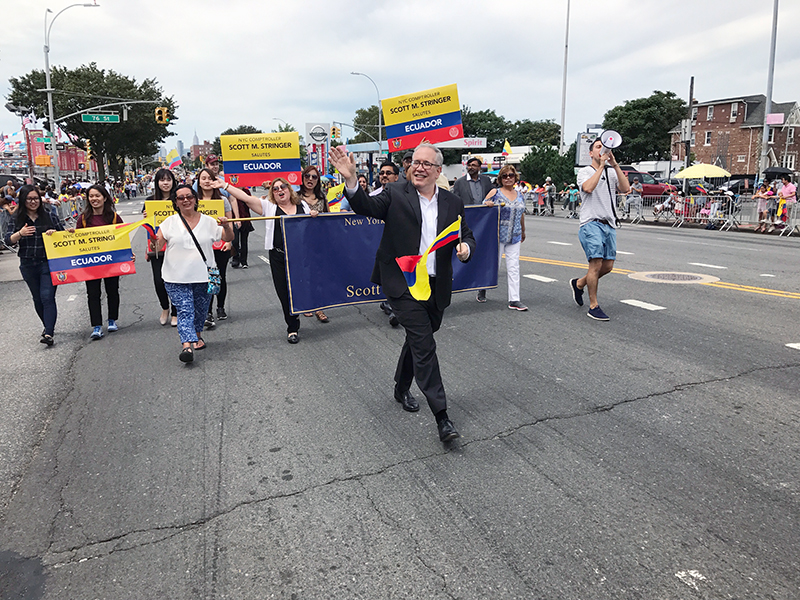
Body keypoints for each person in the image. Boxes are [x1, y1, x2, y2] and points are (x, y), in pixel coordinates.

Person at [330, 141, 476, 443]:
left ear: (437, 171)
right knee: (424, 345)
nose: (418, 167)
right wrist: (350, 180)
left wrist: (466, 248)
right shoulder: (395, 193)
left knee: (419, 337)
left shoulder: (452, 202)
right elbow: (366, 206)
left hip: (436, 285)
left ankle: (400, 386)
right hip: (403, 283)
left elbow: (467, 233)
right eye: (414, 163)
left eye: (425, 164)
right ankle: (442, 417)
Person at [155, 184, 233, 363]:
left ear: (195, 199)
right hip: (176, 276)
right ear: (176, 202)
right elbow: (157, 247)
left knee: (200, 311)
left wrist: (227, 226)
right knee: (185, 310)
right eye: (181, 198)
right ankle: (186, 345)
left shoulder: (209, 221)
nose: (186, 200)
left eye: (189, 196)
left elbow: (227, 238)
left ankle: (197, 336)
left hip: (204, 276)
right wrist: (153, 242)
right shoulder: (168, 223)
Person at [236, 178, 317, 343]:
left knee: (300, 288)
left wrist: (314, 215)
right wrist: (225, 185)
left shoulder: (303, 206)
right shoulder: (270, 207)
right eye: (275, 189)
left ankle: (301, 309)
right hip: (278, 256)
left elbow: (314, 228)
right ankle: (292, 327)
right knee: (283, 292)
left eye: (283, 187)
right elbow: (246, 199)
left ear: (289, 189)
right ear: (272, 193)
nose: (280, 190)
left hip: (301, 256)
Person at [569, 137, 630, 321]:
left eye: (603, 148)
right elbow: (587, 188)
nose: (601, 150)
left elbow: (625, 188)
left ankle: (579, 283)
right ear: (591, 153)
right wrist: (602, 166)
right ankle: (593, 305)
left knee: (608, 266)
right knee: (595, 264)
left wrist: (615, 165)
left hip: (608, 224)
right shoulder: (585, 172)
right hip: (591, 223)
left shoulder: (611, 172)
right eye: (598, 147)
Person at [4, 185, 66, 345]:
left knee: (47, 297)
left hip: (47, 263)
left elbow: (63, 235)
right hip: (27, 263)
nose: (33, 202)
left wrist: (55, 234)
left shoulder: (49, 216)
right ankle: (47, 326)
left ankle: (49, 333)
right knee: (37, 298)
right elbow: (7, 239)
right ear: (23, 200)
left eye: (36, 198)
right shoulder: (17, 218)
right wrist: (20, 234)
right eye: (29, 199)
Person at [76, 185, 129, 340]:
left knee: (112, 290)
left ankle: (112, 319)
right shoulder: (84, 219)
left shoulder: (113, 217)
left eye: (97, 196)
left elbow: (122, 238)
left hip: (111, 262)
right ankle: (97, 325)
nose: (94, 199)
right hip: (91, 262)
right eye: (91, 196)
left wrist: (127, 256)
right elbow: (77, 240)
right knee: (93, 293)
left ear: (105, 198)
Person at [476, 165, 527, 310]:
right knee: (494, 265)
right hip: (497, 235)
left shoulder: (520, 195)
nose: (508, 178)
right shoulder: (495, 192)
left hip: (515, 235)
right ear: (500, 179)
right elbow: (481, 207)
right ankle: (483, 286)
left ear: (515, 177)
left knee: (514, 267)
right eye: (505, 176)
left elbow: (521, 213)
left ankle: (514, 299)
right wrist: (487, 203)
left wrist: (523, 230)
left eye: (511, 175)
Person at [196, 167, 239, 324]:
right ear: (198, 182)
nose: (207, 181)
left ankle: (220, 307)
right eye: (203, 178)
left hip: (220, 246)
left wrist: (229, 242)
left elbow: (230, 223)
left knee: (219, 277)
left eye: (210, 178)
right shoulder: (194, 201)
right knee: (204, 279)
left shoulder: (223, 200)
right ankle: (206, 311)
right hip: (200, 247)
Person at [143, 168, 179, 326]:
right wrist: (145, 218)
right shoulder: (150, 201)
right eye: (162, 180)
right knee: (159, 281)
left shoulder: (180, 199)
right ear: (157, 182)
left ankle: (176, 311)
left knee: (177, 280)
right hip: (157, 247)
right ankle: (165, 308)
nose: (166, 183)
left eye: (168, 180)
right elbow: (147, 228)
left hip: (178, 246)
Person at [296, 165, 331, 323]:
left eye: (314, 177)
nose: (310, 179)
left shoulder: (322, 198)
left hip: (319, 242)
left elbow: (328, 220)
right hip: (300, 242)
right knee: (304, 274)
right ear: (302, 178)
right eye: (307, 176)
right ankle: (306, 304)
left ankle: (319, 307)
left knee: (319, 275)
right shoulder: (295, 197)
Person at [231, 187, 254, 269]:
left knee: (244, 241)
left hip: (245, 219)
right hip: (233, 219)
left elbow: (250, 203)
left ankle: (244, 261)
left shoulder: (246, 191)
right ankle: (236, 257)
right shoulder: (230, 191)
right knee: (235, 241)